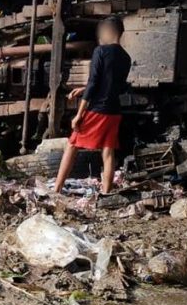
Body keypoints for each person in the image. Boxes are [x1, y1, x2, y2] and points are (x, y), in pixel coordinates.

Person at [54, 17, 131, 194]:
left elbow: (94, 82)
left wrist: (79, 114)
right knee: (108, 152)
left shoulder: (100, 51)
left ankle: (56, 189)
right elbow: (115, 85)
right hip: (114, 111)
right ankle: (106, 193)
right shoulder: (126, 58)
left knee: (72, 144)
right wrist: (83, 89)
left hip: (97, 109)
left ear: (108, 32)